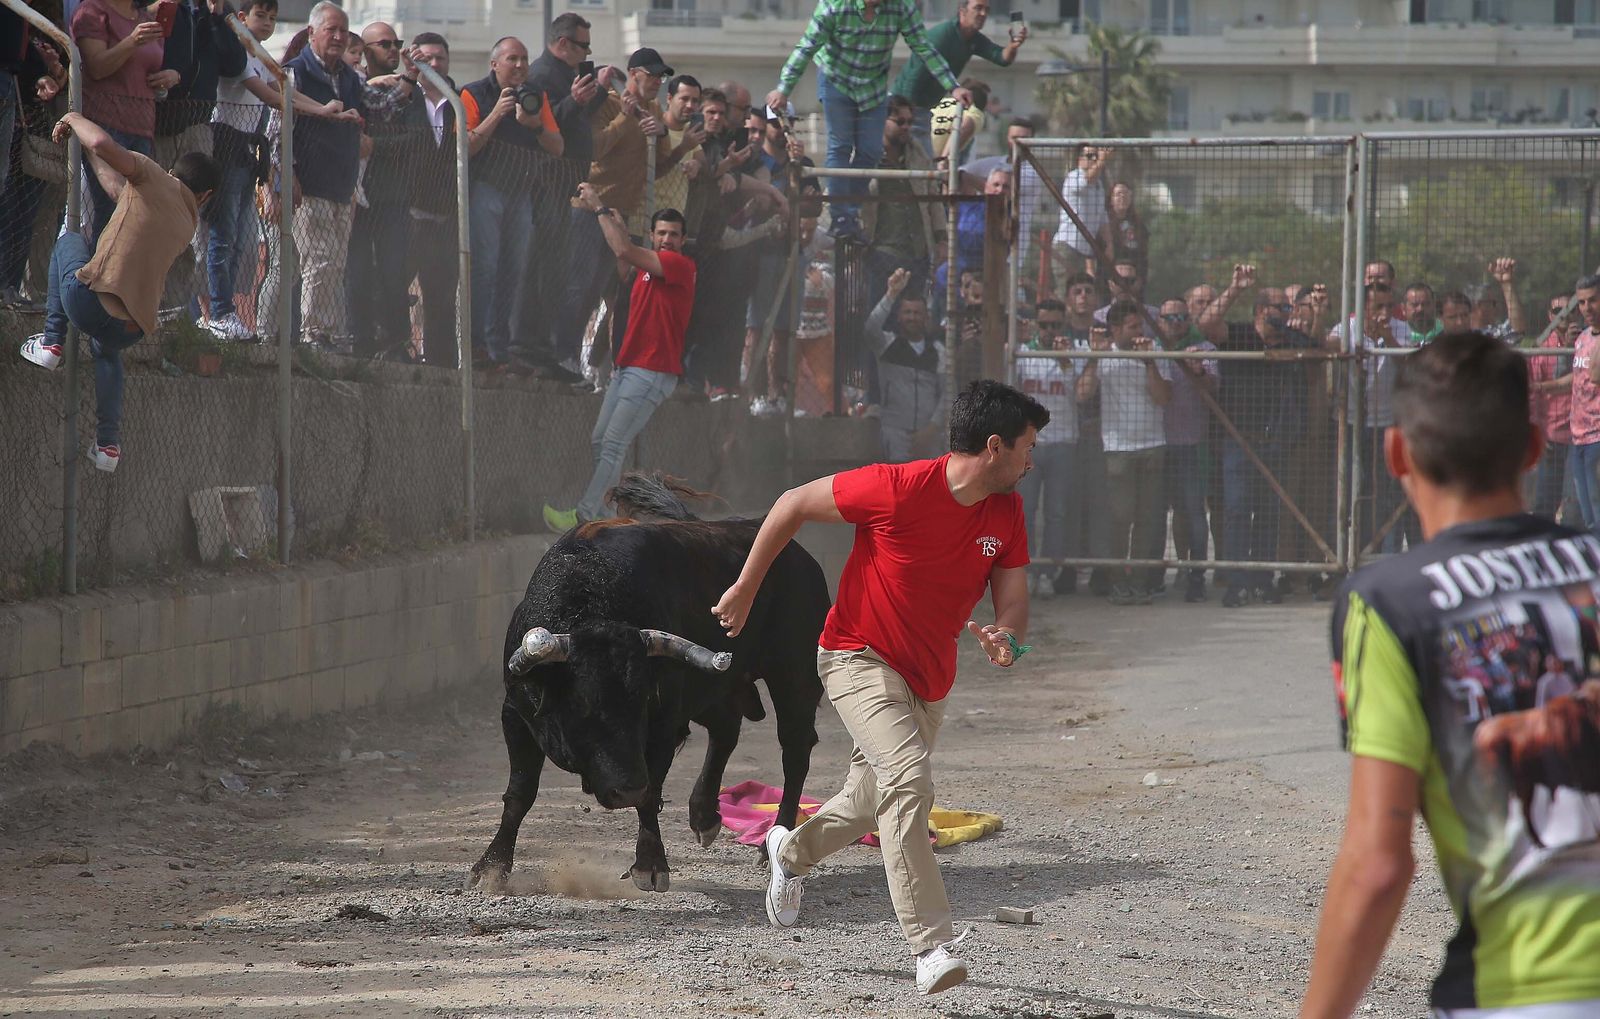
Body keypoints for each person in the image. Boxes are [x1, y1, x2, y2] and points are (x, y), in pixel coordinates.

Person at [711, 379, 1045, 997]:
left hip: (929, 679)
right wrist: (746, 588)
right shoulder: (897, 487)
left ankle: (787, 856)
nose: (1033, 460)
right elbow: (791, 504)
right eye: (1028, 447)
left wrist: (1007, 635)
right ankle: (931, 944)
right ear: (994, 447)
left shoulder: (1008, 512)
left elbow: (1015, 600)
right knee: (910, 781)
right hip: (855, 657)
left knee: (869, 801)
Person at [1303, 330, 1600, 1019]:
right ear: (1533, 447)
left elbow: (1379, 862)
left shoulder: (1393, 602)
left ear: (1396, 451)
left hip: (1524, 993)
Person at [18, 112, 216, 473]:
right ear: (205, 196)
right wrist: (89, 154)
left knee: (70, 242)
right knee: (106, 354)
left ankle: (51, 342)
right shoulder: (188, 221)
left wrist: (75, 118)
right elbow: (114, 187)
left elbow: (101, 144)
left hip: (88, 304)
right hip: (130, 328)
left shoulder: (155, 177)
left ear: (172, 170)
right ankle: (108, 445)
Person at [543, 190, 697, 532]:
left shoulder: (679, 266)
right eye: (661, 233)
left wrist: (599, 207)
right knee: (601, 441)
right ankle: (604, 514)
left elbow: (623, 249)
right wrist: (610, 216)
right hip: (628, 368)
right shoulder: (646, 268)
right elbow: (624, 257)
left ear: (683, 239)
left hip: (652, 372)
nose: (667, 239)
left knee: (613, 443)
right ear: (653, 236)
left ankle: (586, 515)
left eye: (673, 234)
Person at [767, 0, 971, 245]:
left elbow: (924, 48)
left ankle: (850, 208)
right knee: (840, 145)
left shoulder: (901, 7)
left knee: (872, 151)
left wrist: (953, 87)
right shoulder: (835, 6)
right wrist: (784, 89)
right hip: (836, 79)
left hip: (872, 86)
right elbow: (806, 47)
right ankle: (841, 217)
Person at [1199, 264, 1316, 607]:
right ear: (1263, 311)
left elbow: (1320, 349)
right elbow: (1206, 325)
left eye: (1290, 307)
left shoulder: (1291, 340)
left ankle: (1263, 580)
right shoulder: (1239, 335)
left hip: (1275, 440)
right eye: (1283, 307)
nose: (1289, 313)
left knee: (1268, 511)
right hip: (1239, 438)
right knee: (1237, 510)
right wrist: (1235, 288)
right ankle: (1237, 581)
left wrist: (1312, 317)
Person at [461, 35, 561, 368]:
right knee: (484, 269)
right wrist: (497, 114)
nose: (519, 65)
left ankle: (498, 349)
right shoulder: (473, 93)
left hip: (522, 195)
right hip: (486, 190)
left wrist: (533, 126)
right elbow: (465, 146)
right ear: (494, 64)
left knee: (512, 272)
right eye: (512, 59)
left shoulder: (536, 96)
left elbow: (557, 147)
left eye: (523, 59)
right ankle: (475, 346)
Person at [280, 1, 367, 350]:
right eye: (331, 29)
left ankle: (326, 331)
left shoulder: (349, 78)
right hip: (309, 183)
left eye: (343, 30)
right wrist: (288, 174)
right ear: (312, 33)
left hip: (341, 185)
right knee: (320, 259)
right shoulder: (295, 72)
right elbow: (279, 128)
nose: (338, 36)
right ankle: (314, 331)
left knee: (335, 263)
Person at [1078, 297, 1173, 604]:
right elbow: (1083, 393)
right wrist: (1094, 357)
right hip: (1117, 447)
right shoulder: (1105, 355)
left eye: (1140, 325)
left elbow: (1163, 398)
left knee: (1148, 518)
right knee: (1120, 517)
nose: (1138, 332)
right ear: (1115, 329)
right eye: (1132, 327)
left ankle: (1141, 581)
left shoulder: (1155, 351)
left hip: (1153, 445)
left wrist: (1149, 363)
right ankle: (1118, 578)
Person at [1015, 297, 1082, 599]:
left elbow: (1081, 393)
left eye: (1056, 324)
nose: (1050, 330)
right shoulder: (1023, 354)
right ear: (1036, 324)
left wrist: (1065, 358)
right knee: (1026, 511)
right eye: (1045, 324)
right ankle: (1025, 571)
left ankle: (1046, 573)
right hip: (1029, 445)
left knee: (1057, 512)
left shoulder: (1074, 353)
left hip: (1063, 442)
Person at [892, 0, 1022, 154]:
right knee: (910, 165)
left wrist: (1013, 45)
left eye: (987, 9)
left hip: (924, 110)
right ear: (962, 11)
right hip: (906, 109)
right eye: (978, 8)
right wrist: (905, 116)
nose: (983, 14)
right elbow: (913, 76)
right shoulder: (942, 35)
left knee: (922, 166)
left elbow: (1002, 58)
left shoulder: (974, 39)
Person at [400, 31, 459, 368]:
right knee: (394, 286)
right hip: (406, 212)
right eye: (427, 58)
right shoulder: (404, 97)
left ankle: (442, 362)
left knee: (441, 296)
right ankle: (395, 349)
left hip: (444, 217)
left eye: (440, 58)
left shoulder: (459, 101)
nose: (435, 64)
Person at [1156, 297, 1219, 602]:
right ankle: (1160, 571)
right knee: (1161, 512)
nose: (1176, 322)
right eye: (1169, 317)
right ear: (1160, 321)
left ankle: (1197, 573)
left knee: (1195, 512)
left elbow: (1213, 386)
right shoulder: (1152, 348)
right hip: (1156, 442)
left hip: (1192, 444)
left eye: (1182, 316)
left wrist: (1198, 371)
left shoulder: (1205, 348)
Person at [864, 267, 943, 461]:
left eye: (917, 313)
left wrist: (931, 429)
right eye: (907, 312)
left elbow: (949, 394)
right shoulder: (887, 344)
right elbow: (870, 328)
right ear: (899, 316)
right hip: (895, 433)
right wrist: (891, 294)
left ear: (926, 318)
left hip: (929, 435)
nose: (912, 317)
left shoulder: (939, 351)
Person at [1528, 293, 1577, 521]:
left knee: (1575, 507)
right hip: (1552, 437)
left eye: (1569, 310)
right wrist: (1537, 431)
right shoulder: (1542, 349)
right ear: (1550, 316)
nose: (1564, 316)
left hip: (1582, 438)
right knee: (1544, 505)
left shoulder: (1589, 342)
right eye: (1558, 311)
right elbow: (1532, 395)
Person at [1566, 275, 1600, 534]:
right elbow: (1580, 376)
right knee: (1588, 517)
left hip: (1597, 437)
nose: (1587, 308)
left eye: (1593, 301)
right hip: (1577, 437)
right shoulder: (1583, 338)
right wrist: (1543, 386)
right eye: (1582, 302)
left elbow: (1597, 375)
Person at [1052, 143, 1110, 277]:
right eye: (1090, 156)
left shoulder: (1099, 185)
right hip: (1067, 246)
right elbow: (1086, 180)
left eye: (1096, 156)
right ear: (1079, 159)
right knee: (1066, 289)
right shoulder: (1074, 177)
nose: (1094, 159)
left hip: (1087, 250)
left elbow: (1102, 216)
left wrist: (1109, 244)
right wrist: (1102, 161)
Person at [1097, 181, 1147, 284]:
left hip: (1133, 278)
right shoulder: (1103, 224)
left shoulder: (1138, 225)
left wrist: (1140, 279)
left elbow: (1143, 256)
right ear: (1111, 199)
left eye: (1126, 193)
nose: (1122, 196)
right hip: (1108, 278)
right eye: (1118, 194)